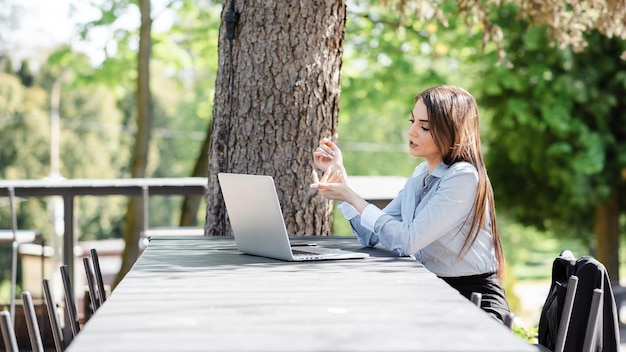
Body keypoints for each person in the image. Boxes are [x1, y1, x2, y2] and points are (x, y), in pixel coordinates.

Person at [310, 85, 510, 322]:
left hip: (474, 301)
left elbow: (407, 241)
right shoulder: (421, 174)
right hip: (434, 292)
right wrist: (340, 179)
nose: (412, 132)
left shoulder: (463, 177)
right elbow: (372, 235)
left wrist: (351, 197)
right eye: (412, 121)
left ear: (452, 131)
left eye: (424, 126)